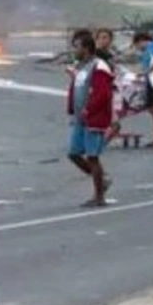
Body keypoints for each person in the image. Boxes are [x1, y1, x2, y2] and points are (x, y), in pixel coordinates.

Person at [67, 31, 115, 207]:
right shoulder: (80, 66)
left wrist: (90, 110)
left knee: (93, 157)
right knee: (73, 153)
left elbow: (103, 93)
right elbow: (78, 88)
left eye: (77, 47)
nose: (75, 50)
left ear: (86, 48)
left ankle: (99, 196)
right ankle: (102, 181)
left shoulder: (99, 66)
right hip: (80, 118)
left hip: (94, 118)